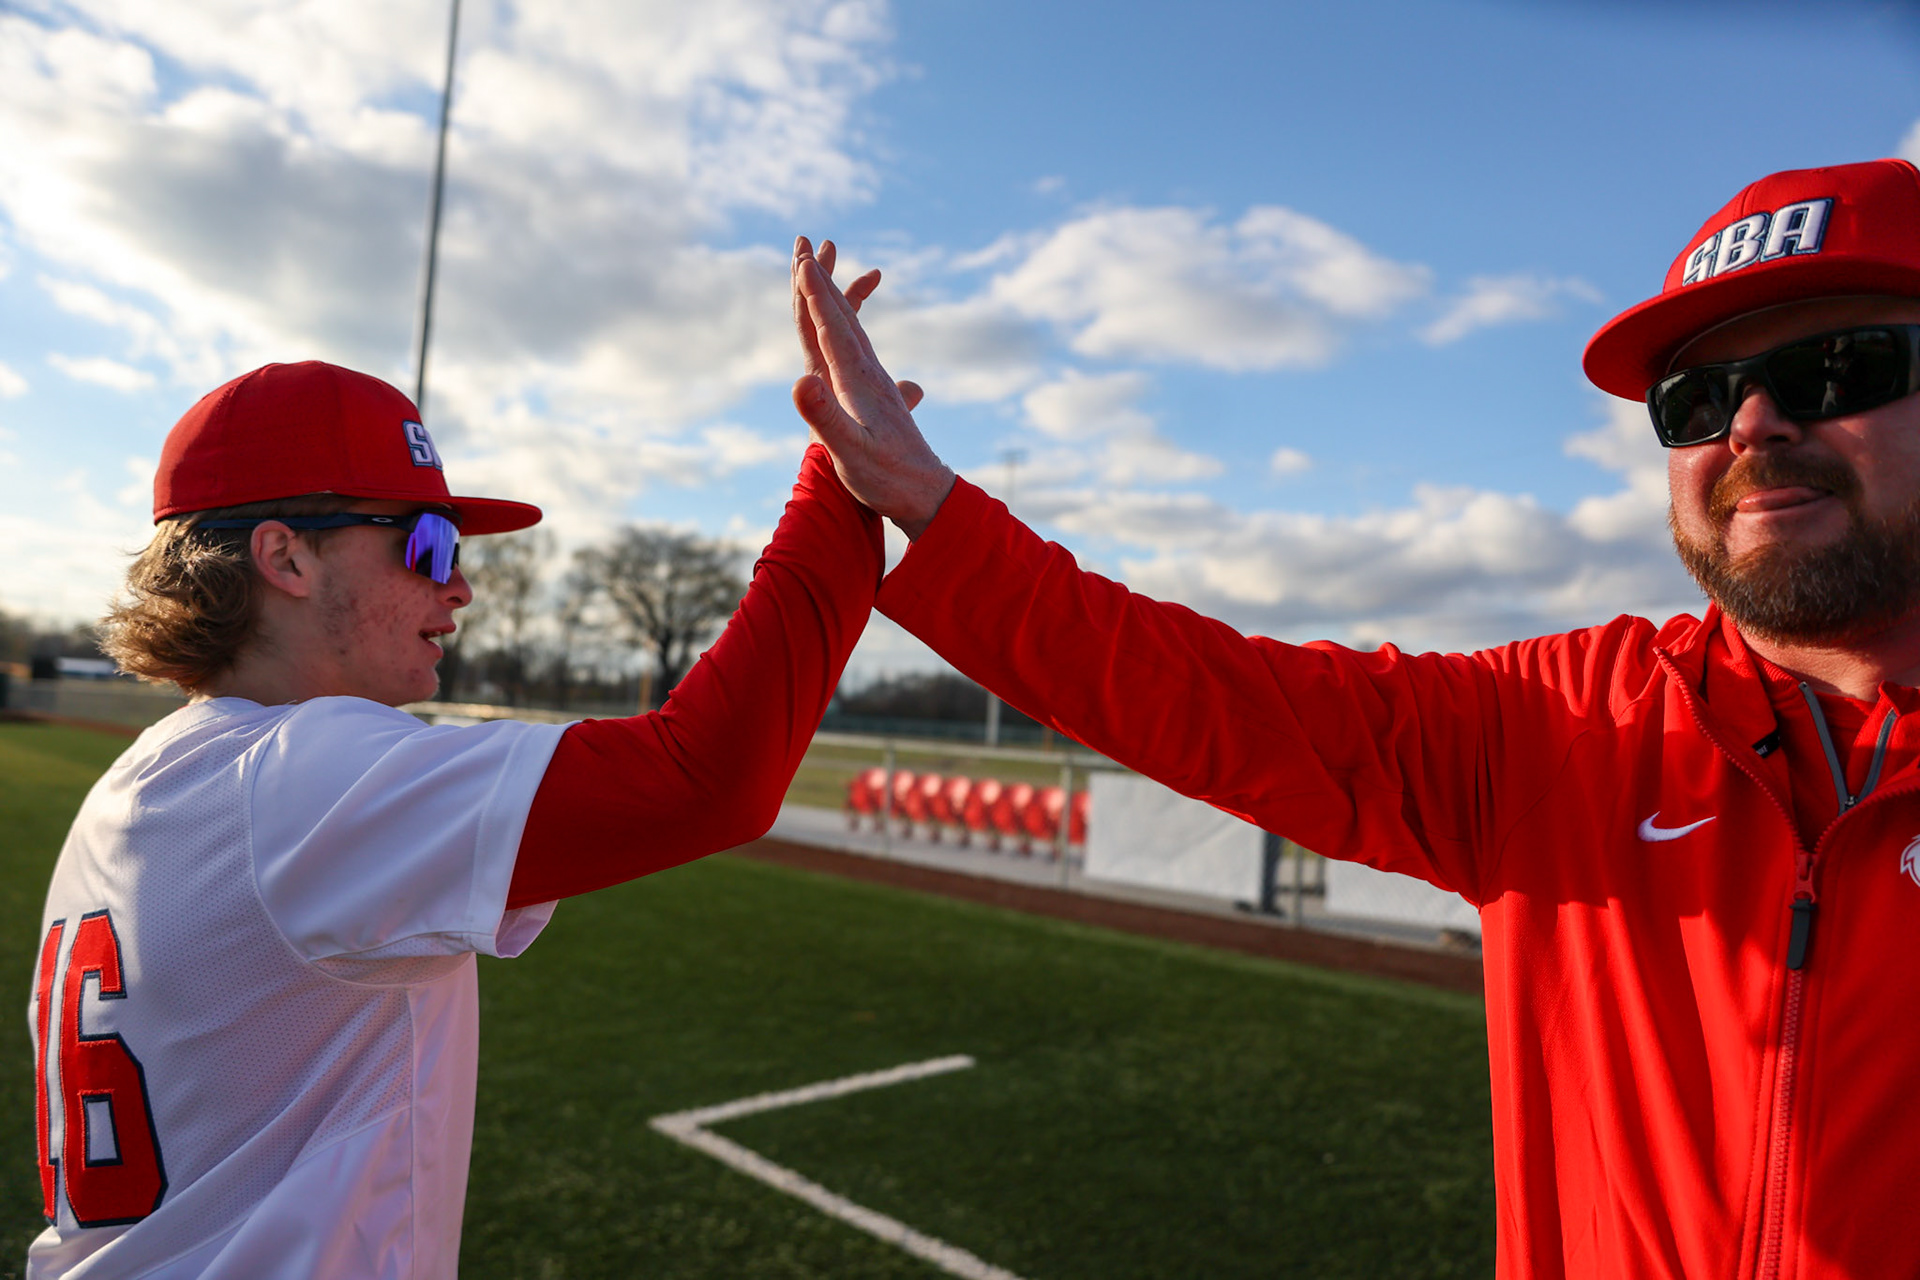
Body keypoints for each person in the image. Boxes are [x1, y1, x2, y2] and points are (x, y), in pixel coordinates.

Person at [789, 157, 1920, 1279]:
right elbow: (1200, 695)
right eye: (1697, 400)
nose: (1753, 425)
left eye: (1835, 369)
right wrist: (930, 507)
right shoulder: (1565, 723)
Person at [28, 241, 919, 1279]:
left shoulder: (136, 784)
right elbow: (706, 778)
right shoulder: (298, 775)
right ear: (285, 556)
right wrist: (845, 477)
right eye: (427, 545)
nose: (458, 588)